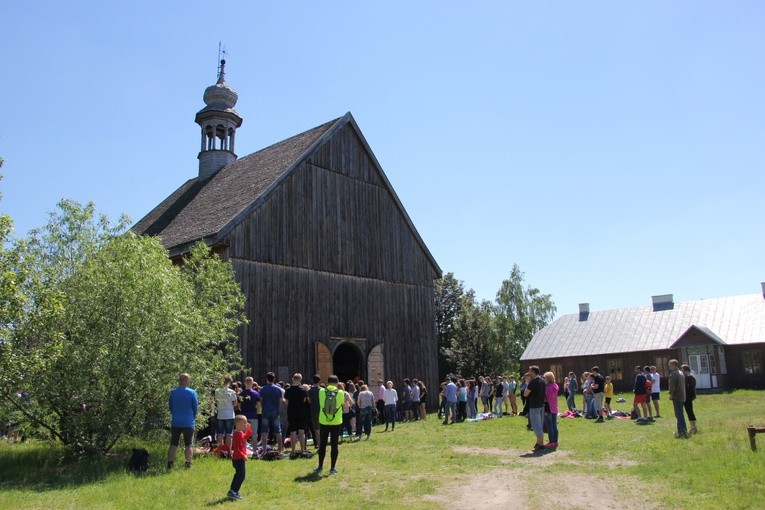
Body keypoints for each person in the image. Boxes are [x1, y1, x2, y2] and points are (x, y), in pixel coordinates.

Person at [167, 373, 198, 469]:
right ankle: (188, 463)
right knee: (188, 444)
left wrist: (175, 415)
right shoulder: (192, 392)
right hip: (188, 422)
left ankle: (170, 463)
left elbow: (170, 406)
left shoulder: (173, 392)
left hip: (176, 421)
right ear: (186, 381)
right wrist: (192, 417)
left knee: (173, 443)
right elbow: (195, 408)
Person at [315, 375, 345, 474]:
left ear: (327, 382)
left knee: (322, 445)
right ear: (337, 382)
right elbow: (341, 404)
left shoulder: (321, 391)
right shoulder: (340, 392)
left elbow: (321, 404)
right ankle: (332, 468)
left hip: (324, 421)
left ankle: (320, 466)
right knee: (334, 445)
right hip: (336, 421)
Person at [227, 415, 252, 500]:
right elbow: (237, 448)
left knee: (239, 475)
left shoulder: (240, 433)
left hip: (239, 458)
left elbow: (246, 437)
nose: (246, 424)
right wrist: (243, 455)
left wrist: (249, 430)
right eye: (244, 422)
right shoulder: (236, 434)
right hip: (238, 459)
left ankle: (233, 490)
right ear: (238, 423)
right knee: (240, 475)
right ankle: (234, 491)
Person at [259, 371, 284, 453]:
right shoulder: (278, 389)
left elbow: (261, 401)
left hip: (266, 410)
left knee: (264, 431)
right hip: (275, 411)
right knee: (278, 431)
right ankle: (280, 450)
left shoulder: (262, 389)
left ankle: (264, 450)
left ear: (267, 379)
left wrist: (263, 408)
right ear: (274, 379)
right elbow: (280, 401)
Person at [524, 366, 547, 452]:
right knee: (539, 424)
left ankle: (541, 445)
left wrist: (529, 383)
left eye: (529, 371)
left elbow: (525, 394)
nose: (528, 373)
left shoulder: (533, 382)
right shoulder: (542, 381)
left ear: (533, 372)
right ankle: (538, 443)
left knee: (536, 426)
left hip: (534, 406)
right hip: (541, 405)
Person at [284, 373, 309, 454]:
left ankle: (293, 450)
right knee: (301, 432)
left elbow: (286, 402)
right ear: (300, 380)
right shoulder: (303, 390)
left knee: (293, 432)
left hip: (291, 412)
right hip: (302, 412)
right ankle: (302, 450)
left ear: (292, 379)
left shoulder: (288, 390)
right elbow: (305, 400)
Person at [214, 376, 238, 453]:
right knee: (229, 433)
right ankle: (228, 451)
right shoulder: (232, 392)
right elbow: (235, 404)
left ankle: (219, 450)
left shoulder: (217, 391)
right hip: (229, 414)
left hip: (221, 414)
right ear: (230, 382)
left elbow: (216, 401)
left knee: (220, 433)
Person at [238, 377, 260, 450]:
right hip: (253, 415)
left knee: (244, 435)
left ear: (245, 383)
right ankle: (254, 451)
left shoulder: (241, 394)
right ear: (252, 383)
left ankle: (243, 450)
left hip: (244, 416)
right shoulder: (256, 393)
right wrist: (256, 412)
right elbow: (259, 406)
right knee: (254, 435)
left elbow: (239, 406)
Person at [668, 359, 688, 438]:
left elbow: (672, 387)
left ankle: (682, 432)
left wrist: (671, 395)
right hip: (682, 395)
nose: (669, 366)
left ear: (673, 365)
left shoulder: (674, 374)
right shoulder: (681, 373)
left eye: (670, 364)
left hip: (677, 396)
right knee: (679, 414)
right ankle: (680, 430)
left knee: (679, 414)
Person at [543, 371, 559, 448]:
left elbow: (545, 397)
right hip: (554, 407)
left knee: (549, 426)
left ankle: (551, 442)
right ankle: (555, 441)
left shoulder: (547, 387)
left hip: (548, 408)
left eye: (545, 378)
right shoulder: (555, 386)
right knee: (554, 425)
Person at [681, 364, 698, 434]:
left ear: (685, 370)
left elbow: (687, 387)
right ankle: (693, 427)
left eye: (682, 369)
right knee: (689, 411)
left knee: (689, 411)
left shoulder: (689, 377)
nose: (681, 371)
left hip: (688, 397)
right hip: (689, 396)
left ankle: (693, 427)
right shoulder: (690, 376)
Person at [307, 375, 322, 449]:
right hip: (322, 410)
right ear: (319, 381)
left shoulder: (310, 391)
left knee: (317, 429)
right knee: (323, 428)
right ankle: (323, 445)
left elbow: (309, 401)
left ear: (313, 381)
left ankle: (319, 445)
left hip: (314, 410)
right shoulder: (322, 390)